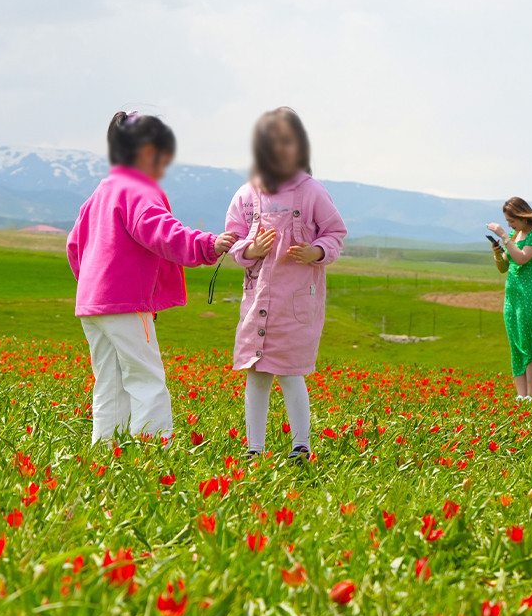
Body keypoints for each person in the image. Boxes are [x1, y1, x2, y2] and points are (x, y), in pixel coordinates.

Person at [67, 111, 237, 445]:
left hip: (93, 304)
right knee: (146, 379)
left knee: (110, 383)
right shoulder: (138, 190)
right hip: (127, 302)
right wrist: (208, 245)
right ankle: (151, 452)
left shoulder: (102, 191)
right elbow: (162, 231)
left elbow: (75, 245)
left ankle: (106, 451)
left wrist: (92, 286)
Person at [225, 107, 347, 466]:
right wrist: (249, 250)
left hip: (295, 304)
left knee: (291, 374)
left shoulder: (312, 192)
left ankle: (301, 446)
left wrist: (316, 251)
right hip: (258, 303)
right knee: (256, 374)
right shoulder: (247, 194)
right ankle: (254, 448)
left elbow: (335, 232)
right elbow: (232, 237)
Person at [487, 197, 532, 401]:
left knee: (530, 343)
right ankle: (521, 397)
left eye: (512, 221)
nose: (509, 225)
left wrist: (504, 236)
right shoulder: (515, 235)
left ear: (523, 216)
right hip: (513, 296)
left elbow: (522, 258)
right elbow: (504, 267)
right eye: (507, 222)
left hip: (530, 294)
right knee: (516, 343)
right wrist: (498, 252)